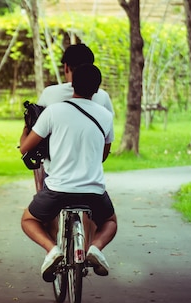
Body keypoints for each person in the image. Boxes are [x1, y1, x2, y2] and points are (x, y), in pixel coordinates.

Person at [19, 64, 117, 282]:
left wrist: (26, 128)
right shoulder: (105, 116)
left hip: (58, 190)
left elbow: (26, 147)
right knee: (110, 221)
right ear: (97, 88)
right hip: (93, 191)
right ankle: (95, 249)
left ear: (72, 82)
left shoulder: (54, 111)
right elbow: (103, 154)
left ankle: (52, 250)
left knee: (28, 220)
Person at [32, 43, 114, 191]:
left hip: (56, 167)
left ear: (66, 67)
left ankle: (42, 199)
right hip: (90, 170)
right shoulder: (102, 97)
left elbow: (36, 128)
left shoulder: (50, 93)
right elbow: (107, 138)